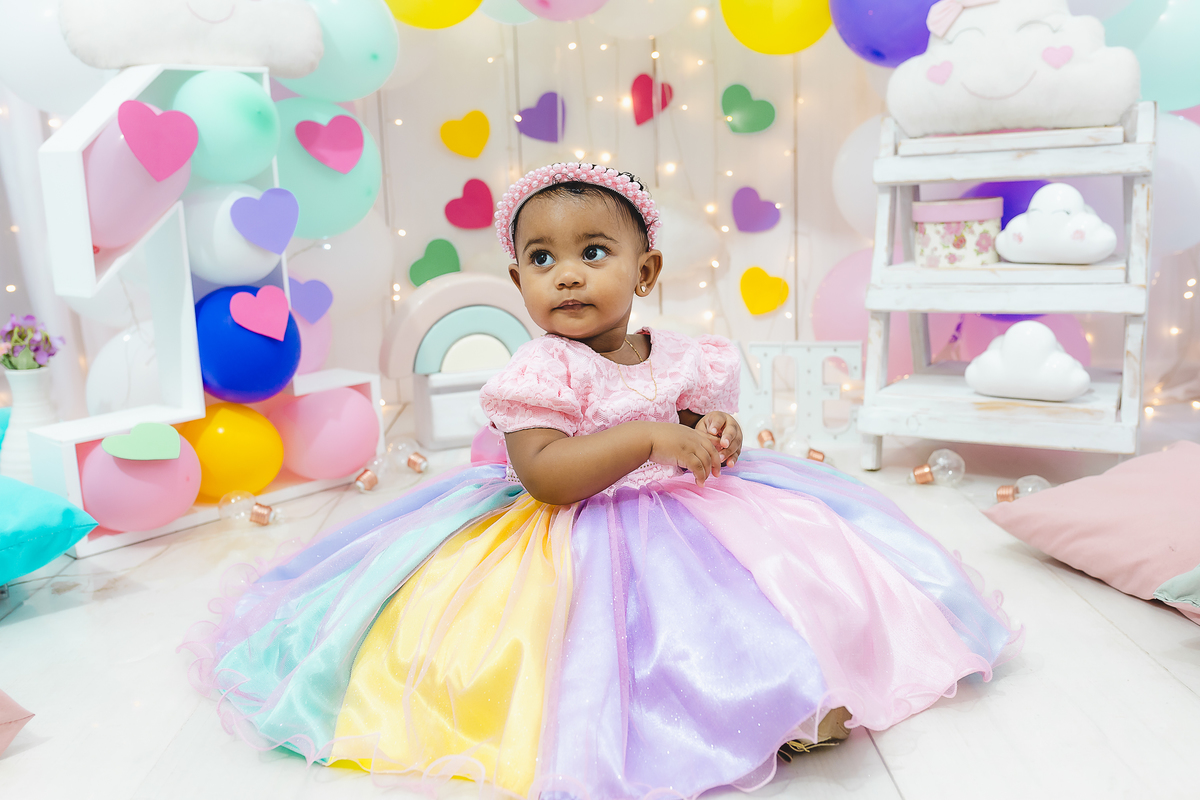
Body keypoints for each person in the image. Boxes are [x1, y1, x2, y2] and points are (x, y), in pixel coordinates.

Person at [184, 163, 1017, 800]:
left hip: (691, 514)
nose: (568, 274)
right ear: (519, 282)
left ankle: (795, 695)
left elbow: (694, 422)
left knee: (776, 588)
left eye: (593, 252)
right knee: (615, 645)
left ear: (644, 272)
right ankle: (699, 726)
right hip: (573, 527)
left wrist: (712, 432)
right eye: (542, 258)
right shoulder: (539, 371)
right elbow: (546, 476)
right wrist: (646, 437)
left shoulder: (682, 353)